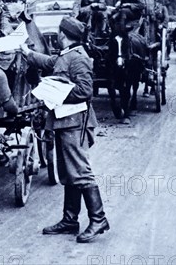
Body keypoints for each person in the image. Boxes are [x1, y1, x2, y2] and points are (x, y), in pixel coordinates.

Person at [20, 17, 109, 244]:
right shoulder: (66, 54)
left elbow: (85, 91)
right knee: (69, 172)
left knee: (80, 171)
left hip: (74, 122)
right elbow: (50, 62)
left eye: (59, 33)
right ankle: (70, 220)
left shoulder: (78, 58)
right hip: (64, 121)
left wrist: (55, 91)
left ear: (62, 34)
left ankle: (99, 219)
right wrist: (27, 53)